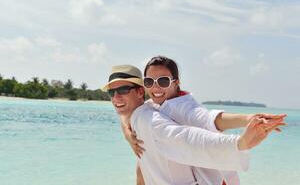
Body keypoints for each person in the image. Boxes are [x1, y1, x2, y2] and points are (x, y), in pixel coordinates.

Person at [102, 64, 286, 185]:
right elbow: (128, 115)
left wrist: (240, 142)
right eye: (112, 92)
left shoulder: (151, 120)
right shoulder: (147, 110)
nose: (116, 97)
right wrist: (126, 131)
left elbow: (191, 135)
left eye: (123, 90)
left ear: (140, 92)